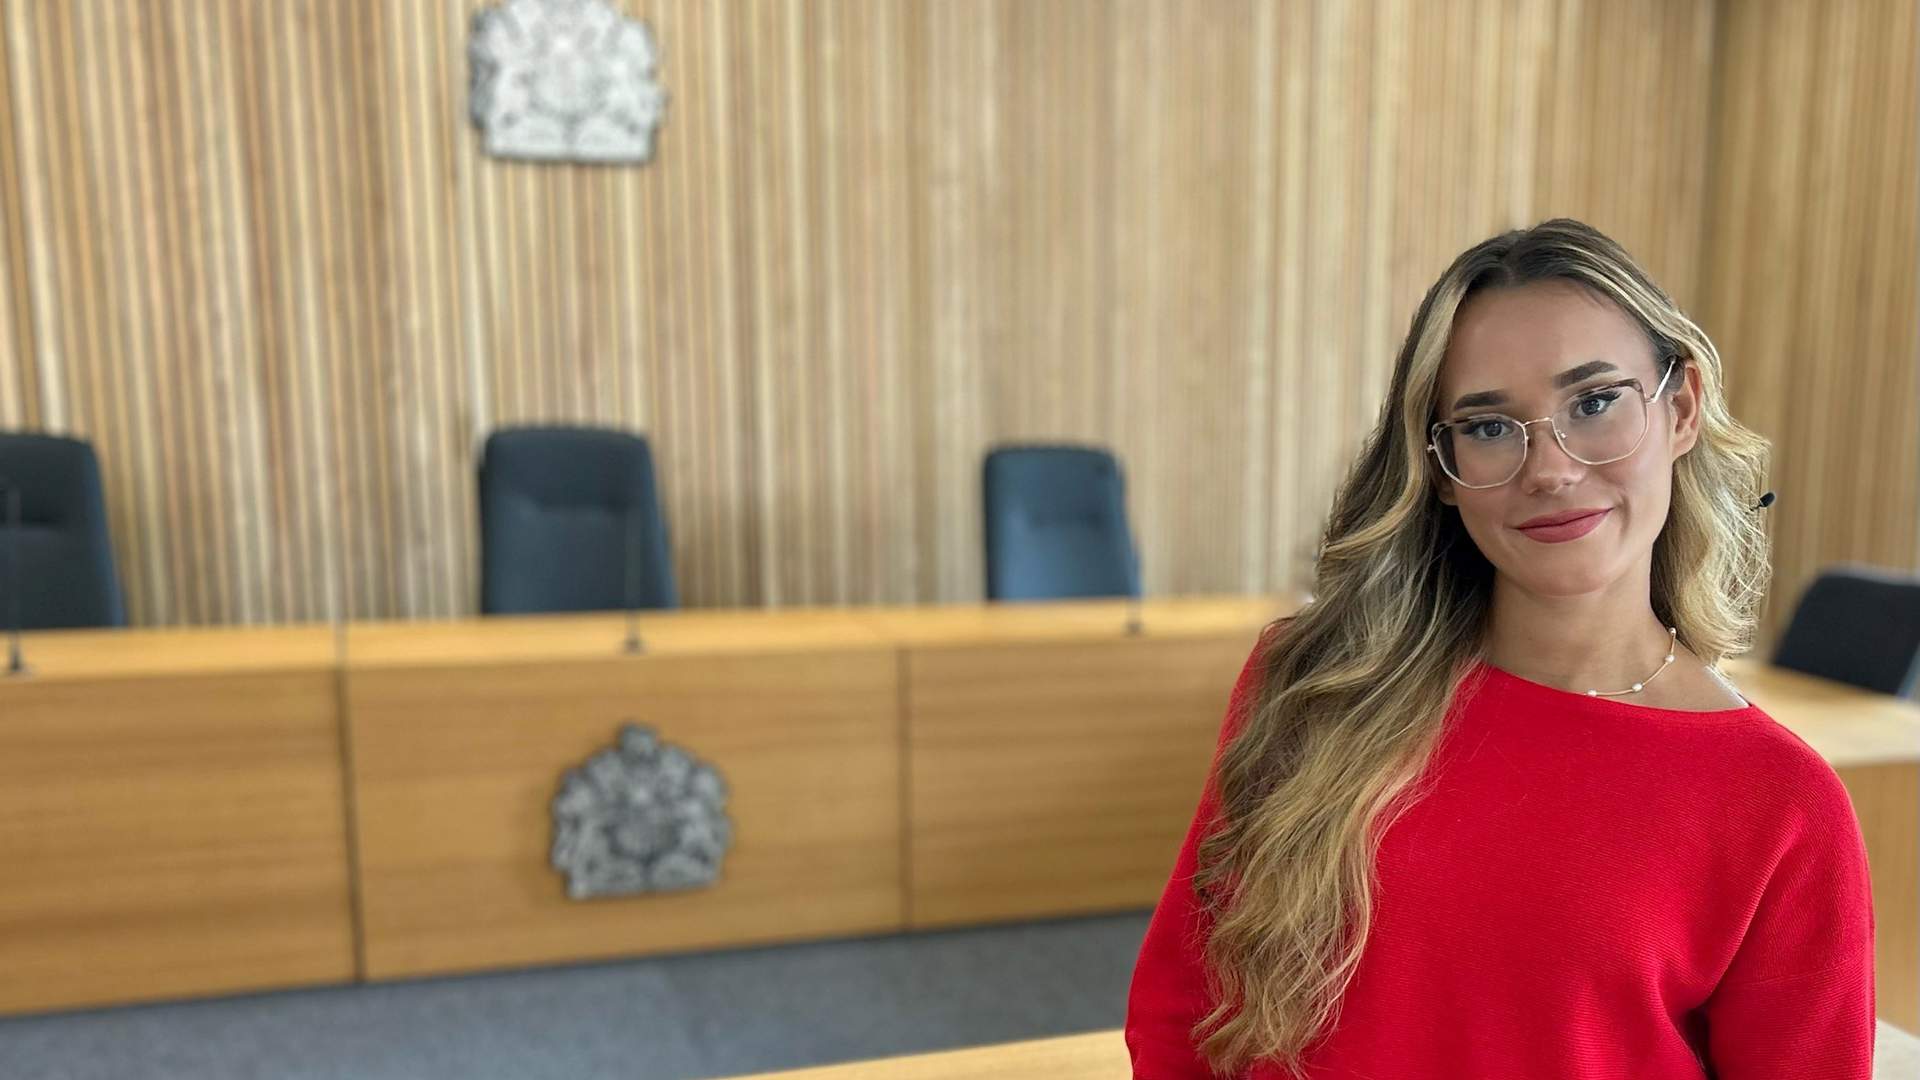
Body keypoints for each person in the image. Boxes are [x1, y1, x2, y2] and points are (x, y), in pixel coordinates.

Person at [1124, 218, 1875, 1078]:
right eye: (1487, 425)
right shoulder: (1318, 685)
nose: (1548, 468)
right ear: (1438, 468)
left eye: (1593, 403)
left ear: (1680, 408)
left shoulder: (1780, 804)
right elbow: (1183, 1005)